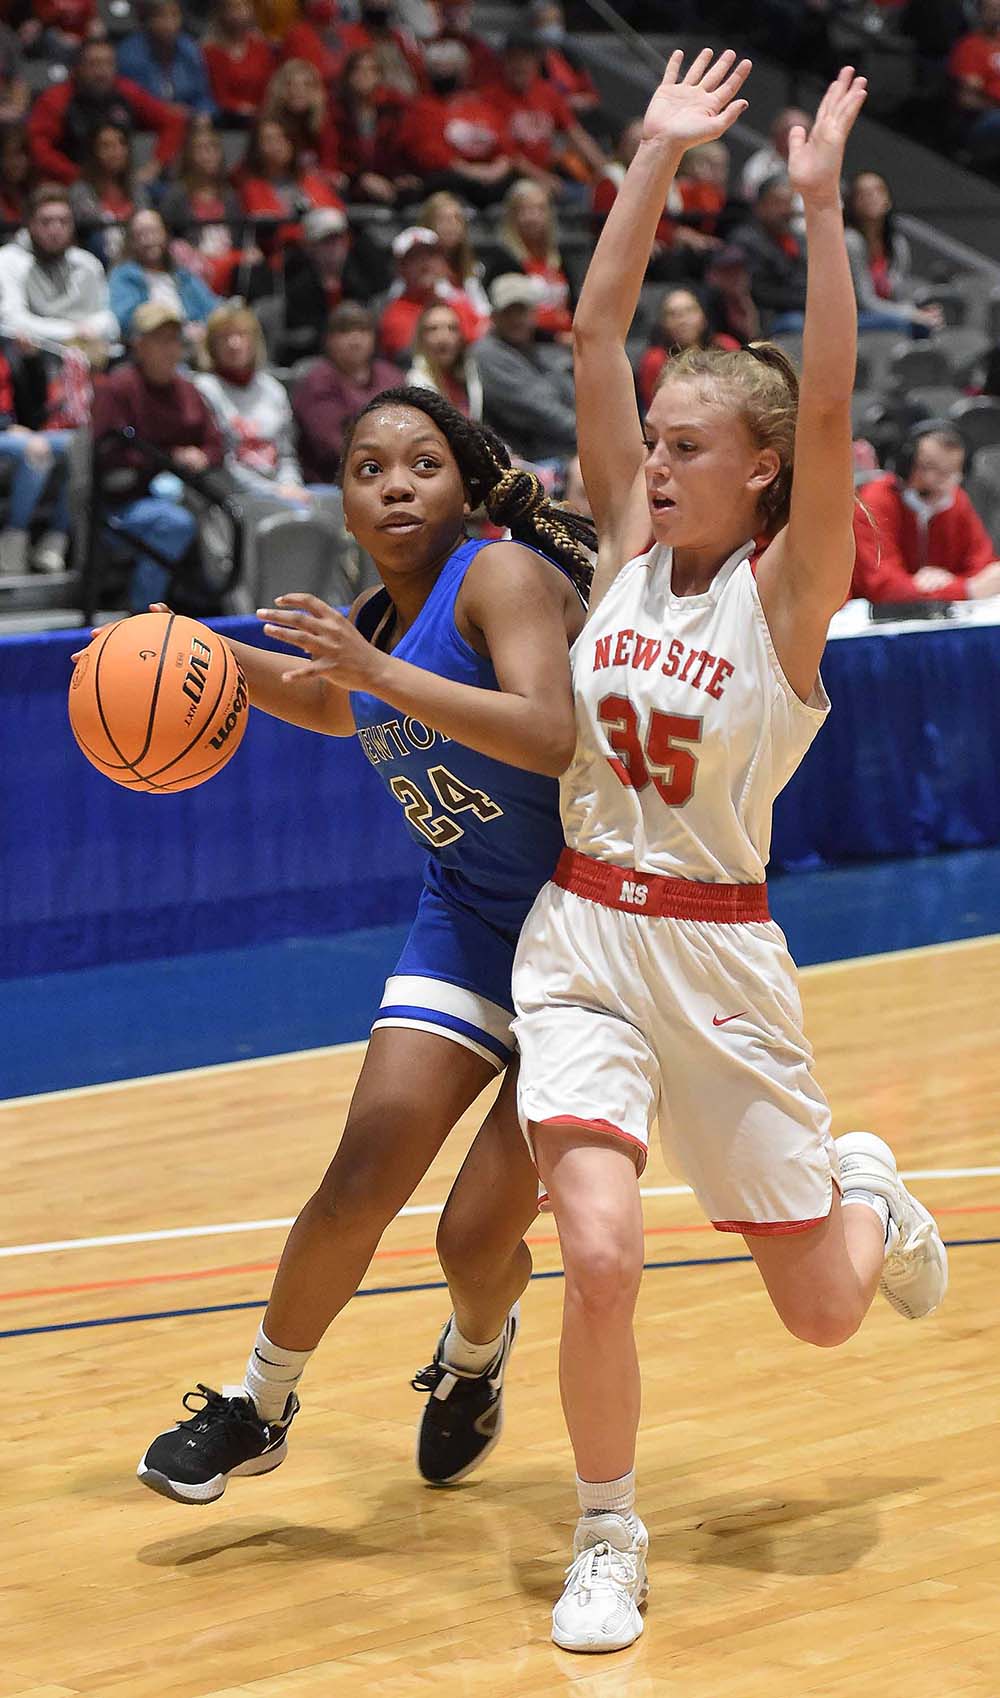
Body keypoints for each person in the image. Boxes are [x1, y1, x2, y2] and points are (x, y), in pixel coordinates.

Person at [498, 53, 947, 1652]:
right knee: (599, 1249)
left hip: (719, 949)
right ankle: (607, 1531)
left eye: (691, 446)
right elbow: (594, 334)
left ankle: (864, 1184)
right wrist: (652, 154)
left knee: (822, 1314)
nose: (657, 461)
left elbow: (826, 402)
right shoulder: (625, 545)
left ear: (758, 471)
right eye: (656, 441)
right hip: (583, 941)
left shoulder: (788, 592)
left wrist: (819, 210)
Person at [134, 385, 597, 1511]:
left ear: (465, 486)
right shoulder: (378, 623)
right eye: (369, 468)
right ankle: (257, 1407)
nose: (395, 486)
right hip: (469, 919)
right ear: (340, 500)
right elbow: (334, 703)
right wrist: (190, 653)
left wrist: (372, 672)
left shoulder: (498, 577)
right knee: (360, 1172)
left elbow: (550, 733)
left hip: (592, 937)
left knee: (471, 1237)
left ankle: (475, 1357)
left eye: (423, 464)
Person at [89, 299, 224, 608]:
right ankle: (142, 612)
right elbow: (108, 454)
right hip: (122, 504)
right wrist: (168, 460)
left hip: (188, 494)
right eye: (159, 340)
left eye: (174, 340)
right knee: (175, 523)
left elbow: (216, 444)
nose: (169, 349)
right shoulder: (118, 389)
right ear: (139, 345)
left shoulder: (188, 390)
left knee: (225, 512)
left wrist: (202, 456)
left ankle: (222, 604)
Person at [194, 299, 331, 505]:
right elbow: (222, 464)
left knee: (341, 503)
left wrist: (291, 486)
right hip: (234, 497)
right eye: (224, 337)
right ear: (212, 346)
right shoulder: (204, 389)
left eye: (241, 335)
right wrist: (274, 493)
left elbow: (286, 455)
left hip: (283, 490)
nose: (234, 344)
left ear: (254, 341)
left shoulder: (272, 388)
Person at [851, 422, 1000, 601]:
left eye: (951, 472)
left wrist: (947, 582)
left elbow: (985, 569)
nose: (942, 482)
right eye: (930, 468)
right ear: (905, 466)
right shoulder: (876, 500)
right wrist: (965, 589)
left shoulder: (957, 500)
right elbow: (882, 586)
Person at [26, 35, 185, 187]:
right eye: (94, 64)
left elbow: (173, 122)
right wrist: (76, 176)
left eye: (108, 64)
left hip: (122, 185)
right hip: (70, 182)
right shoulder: (56, 99)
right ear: (78, 68)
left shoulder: (126, 91)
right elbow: (38, 147)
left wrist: (155, 166)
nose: (102, 72)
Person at [0, 185, 117, 362]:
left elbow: (109, 319)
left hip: (89, 352)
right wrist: (71, 331)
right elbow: (12, 322)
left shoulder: (87, 263)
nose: (55, 230)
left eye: (64, 221)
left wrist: (91, 328)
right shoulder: (8, 260)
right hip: (37, 356)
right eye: (46, 222)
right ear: (30, 225)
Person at [291, 301, 401, 481]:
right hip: (331, 482)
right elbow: (330, 445)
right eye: (345, 331)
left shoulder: (392, 377)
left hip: (390, 472)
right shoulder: (317, 381)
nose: (355, 339)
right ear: (329, 340)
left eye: (363, 330)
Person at [476, 271, 577, 463]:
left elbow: (572, 396)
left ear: (534, 314)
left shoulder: (542, 351)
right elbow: (539, 412)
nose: (516, 319)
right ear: (494, 316)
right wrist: (591, 435)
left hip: (563, 448)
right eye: (508, 312)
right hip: (529, 459)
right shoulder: (488, 354)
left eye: (521, 311)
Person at [843, 172, 943, 334]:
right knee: (903, 324)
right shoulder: (850, 241)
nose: (872, 197)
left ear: (888, 201)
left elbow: (898, 291)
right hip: (852, 317)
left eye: (878, 191)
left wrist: (919, 311)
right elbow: (864, 301)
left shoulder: (897, 243)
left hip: (883, 313)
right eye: (864, 194)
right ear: (853, 203)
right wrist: (909, 313)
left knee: (930, 323)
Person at [109, 208, 220, 349]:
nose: (149, 240)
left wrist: (202, 327)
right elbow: (125, 320)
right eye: (141, 234)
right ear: (131, 241)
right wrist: (179, 332)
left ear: (165, 234)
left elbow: (211, 308)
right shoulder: (123, 276)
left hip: (194, 343)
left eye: (154, 232)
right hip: (151, 347)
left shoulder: (181, 274)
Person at [238, 115, 343, 253]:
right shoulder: (252, 188)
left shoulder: (312, 181)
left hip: (324, 252)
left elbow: (337, 218)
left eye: (283, 138)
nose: (278, 145)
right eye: (269, 139)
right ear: (257, 148)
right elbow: (267, 232)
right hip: (284, 255)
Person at [378, 226, 482, 363]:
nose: (425, 264)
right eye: (415, 258)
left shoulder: (458, 303)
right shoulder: (394, 317)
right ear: (401, 268)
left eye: (431, 256)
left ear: (443, 263)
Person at [493, 176, 574, 341]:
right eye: (525, 210)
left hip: (568, 341)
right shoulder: (504, 260)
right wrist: (555, 338)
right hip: (529, 346)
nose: (533, 217)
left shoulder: (559, 257)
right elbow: (511, 319)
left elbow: (573, 304)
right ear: (512, 216)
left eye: (540, 209)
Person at [636, 284, 738, 409]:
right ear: (663, 324)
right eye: (673, 314)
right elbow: (656, 409)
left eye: (689, 311)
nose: (682, 320)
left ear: (703, 316)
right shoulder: (654, 361)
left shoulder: (726, 346)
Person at [731, 172, 808, 334]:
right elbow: (759, 291)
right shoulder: (745, 240)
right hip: (768, 317)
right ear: (760, 206)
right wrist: (807, 300)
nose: (787, 210)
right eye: (778, 203)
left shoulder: (797, 238)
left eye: (789, 202)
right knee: (798, 323)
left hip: (801, 309)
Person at [69, 122, 150, 267]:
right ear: (94, 152)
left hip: (138, 261)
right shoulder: (81, 191)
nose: (116, 151)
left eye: (121, 143)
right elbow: (87, 229)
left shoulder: (136, 188)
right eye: (106, 146)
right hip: (98, 262)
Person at [116, 0, 217, 117]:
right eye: (160, 16)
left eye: (174, 15)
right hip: (146, 122)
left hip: (189, 118)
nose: (169, 24)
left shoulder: (189, 49)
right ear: (146, 21)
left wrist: (202, 114)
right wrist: (166, 110)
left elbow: (203, 97)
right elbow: (134, 101)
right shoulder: (129, 55)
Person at [419, 190, 491, 321]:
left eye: (457, 219)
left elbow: (483, 311)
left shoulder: (473, 269)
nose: (451, 225)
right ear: (429, 224)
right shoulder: (419, 271)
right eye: (443, 219)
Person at [262, 57, 341, 176]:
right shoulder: (268, 123)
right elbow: (249, 168)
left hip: (316, 183)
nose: (299, 90)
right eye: (290, 84)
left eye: (307, 85)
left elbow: (330, 168)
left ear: (317, 91)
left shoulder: (324, 123)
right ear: (280, 90)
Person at [203, 0, 275, 124]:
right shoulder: (212, 52)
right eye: (234, 7)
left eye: (245, 6)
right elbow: (218, 96)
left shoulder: (260, 47)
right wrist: (240, 107)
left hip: (263, 117)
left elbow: (270, 85)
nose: (241, 12)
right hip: (229, 120)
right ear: (222, 12)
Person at [407, 300, 483, 418]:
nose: (443, 337)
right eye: (433, 329)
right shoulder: (414, 383)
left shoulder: (472, 373)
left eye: (452, 328)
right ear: (420, 338)